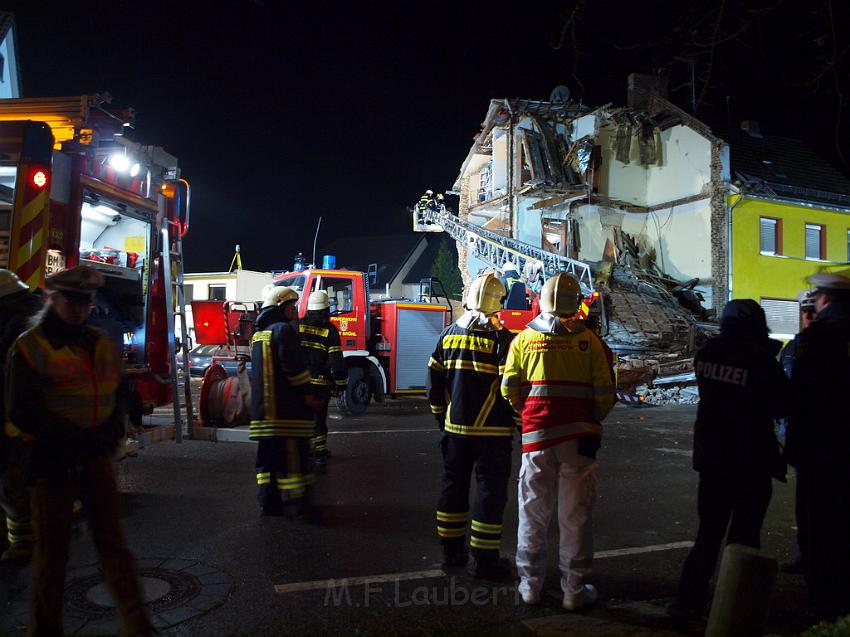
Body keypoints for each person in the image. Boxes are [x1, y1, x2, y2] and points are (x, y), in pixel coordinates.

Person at [5, 265, 153, 636]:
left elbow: (115, 390)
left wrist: (112, 430)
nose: (79, 307)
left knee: (113, 546)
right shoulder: (29, 346)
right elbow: (22, 410)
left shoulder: (100, 341)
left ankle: (138, 626)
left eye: (85, 301)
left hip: (94, 458)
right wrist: (72, 439)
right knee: (52, 556)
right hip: (53, 462)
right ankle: (45, 628)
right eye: (72, 300)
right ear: (52, 298)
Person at [670, 299, 789, 621]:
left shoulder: (707, 354)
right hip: (750, 459)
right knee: (745, 537)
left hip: (712, 457)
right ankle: (735, 610)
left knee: (708, 533)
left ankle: (686, 604)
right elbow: (781, 404)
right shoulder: (761, 360)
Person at [501, 273, 615, 610]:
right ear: (575, 302)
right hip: (579, 440)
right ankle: (574, 591)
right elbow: (606, 392)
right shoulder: (590, 342)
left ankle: (530, 587)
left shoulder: (522, 340)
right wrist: (592, 420)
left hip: (536, 438)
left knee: (533, 513)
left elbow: (509, 388)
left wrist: (528, 417)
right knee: (574, 516)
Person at [427, 272, 517, 579]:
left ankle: (452, 551)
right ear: (498, 302)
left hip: (454, 432)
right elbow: (511, 389)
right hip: (493, 434)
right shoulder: (503, 341)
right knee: (489, 493)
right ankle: (485, 560)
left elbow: (434, 383)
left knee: (453, 487)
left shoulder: (448, 335)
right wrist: (519, 423)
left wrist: (442, 418)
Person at [786, 272, 850, 621]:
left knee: (821, 523)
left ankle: (824, 604)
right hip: (840, 447)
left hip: (820, 448)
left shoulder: (817, 340)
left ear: (824, 300)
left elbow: (798, 396)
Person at [250, 285, 317, 516]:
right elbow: (294, 369)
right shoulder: (283, 331)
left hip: (263, 414)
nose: (293, 312)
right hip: (286, 413)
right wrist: (308, 393)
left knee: (266, 461)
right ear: (280, 307)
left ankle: (267, 501)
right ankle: (299, 502)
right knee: (292, 458)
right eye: (291, 307)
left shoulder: (259, 335)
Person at [0, 270, 42, 562]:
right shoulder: (34, 320)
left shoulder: (13, 326)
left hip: (17, 422)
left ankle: (25, 544)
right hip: (31, 421)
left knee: (12, 481)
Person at [777, 288, 816, 575]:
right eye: (805, 310)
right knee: (805, 505)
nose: (808, 316)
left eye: (813, 310)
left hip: (829, 442)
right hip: (803, 440)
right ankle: (806, 555)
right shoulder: (793, 347)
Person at [298, 290, 347, 472]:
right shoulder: (330, 330)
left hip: (298, 383)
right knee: (318, 419)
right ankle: (319, 454)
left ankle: (304, 452)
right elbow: (336, 361)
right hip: (319, 384)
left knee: (302, 418)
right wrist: (341, 383)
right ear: (326, 308)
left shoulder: (297, 325)